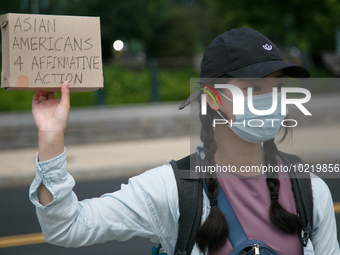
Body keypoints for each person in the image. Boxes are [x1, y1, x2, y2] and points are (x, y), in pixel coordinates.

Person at [29, 28, 340, 255]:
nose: (272, 101)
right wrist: (51, 135)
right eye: (255, 88)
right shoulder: (170, 190)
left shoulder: (311, 191)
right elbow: (66, 227)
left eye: (279, 87)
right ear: (214, 97)